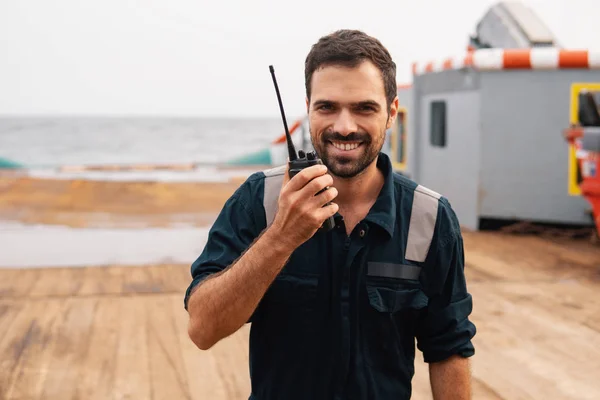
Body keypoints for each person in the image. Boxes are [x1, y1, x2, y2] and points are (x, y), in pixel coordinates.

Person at [185, 29, 477, 400]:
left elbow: (448, 348)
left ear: (391, 113)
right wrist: (281, 236)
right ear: (308, 108)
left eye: (364, 108)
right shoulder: (258, 200)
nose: (344, 126)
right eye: (327, 107)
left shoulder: (429, 216)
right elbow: (203, 329)